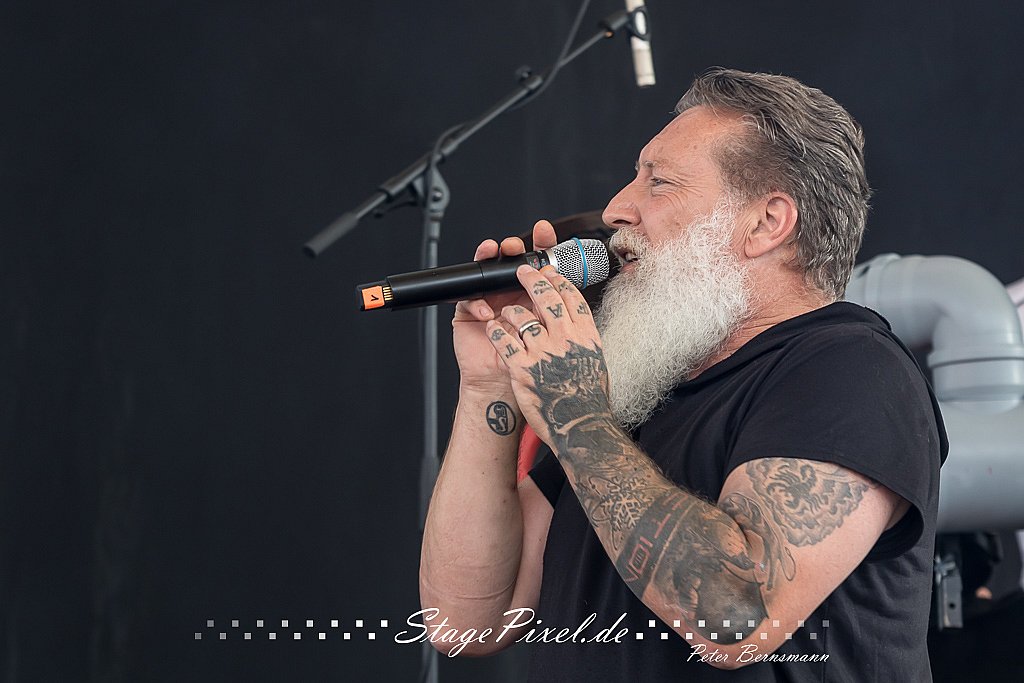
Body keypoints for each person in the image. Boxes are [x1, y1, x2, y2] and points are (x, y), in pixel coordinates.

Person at [419, 67, 947, 681]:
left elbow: (739, 616)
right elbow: (466, 621)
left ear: (765, 223)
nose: (617, 209)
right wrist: (489, 384)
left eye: (658, 182)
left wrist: (578, 417)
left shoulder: (853, 370)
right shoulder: (639, 393)